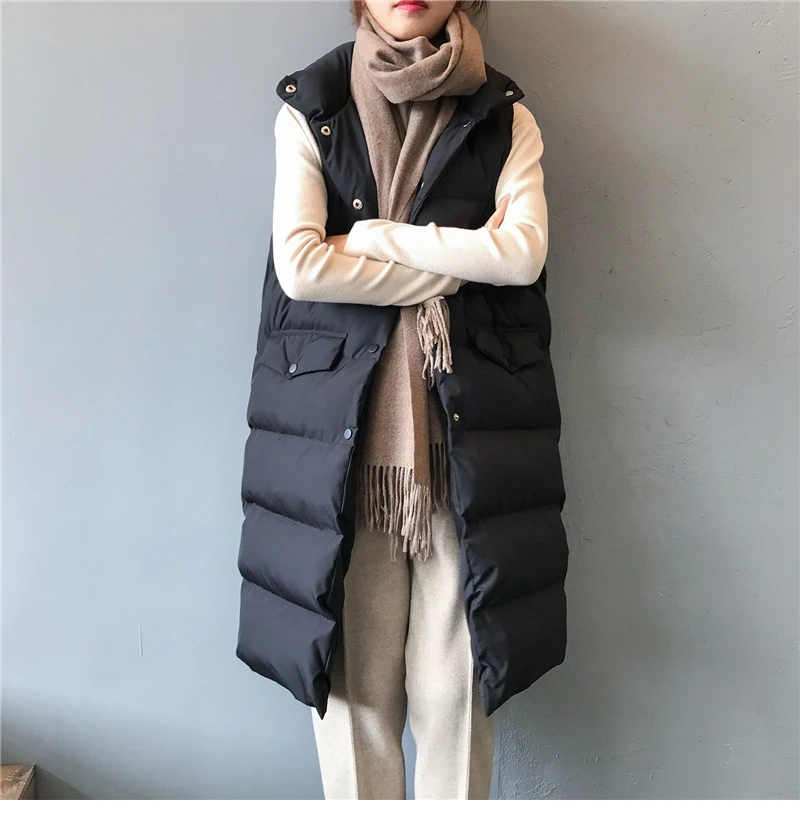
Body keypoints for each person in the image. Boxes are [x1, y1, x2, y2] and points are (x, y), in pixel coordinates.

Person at [235, 0, 569, 800]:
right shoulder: (311, 108)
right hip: (341, 460)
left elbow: (521, 256)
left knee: (458, 704)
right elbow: (303, 267)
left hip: (467, 455)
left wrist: (373, 237)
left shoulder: (505, 117)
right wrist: (462, 259)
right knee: (355, 707)